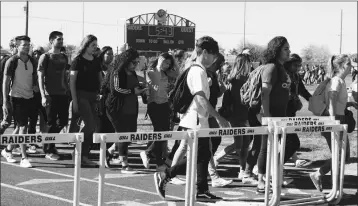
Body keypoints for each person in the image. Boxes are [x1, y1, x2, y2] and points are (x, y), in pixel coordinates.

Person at [153, 36, 230, 201]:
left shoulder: (197, 69)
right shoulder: (197, 70)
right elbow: (200, 98)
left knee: (202, 155)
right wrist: (219, 117)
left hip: (196, 118)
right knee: (199, 156)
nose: (215, 59)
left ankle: (201, 189)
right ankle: (166, 175)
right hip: (195, 119)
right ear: (206, 52)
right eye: (214, 55)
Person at [243, 36, 292, 193]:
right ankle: (261, 181)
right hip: (269, 115)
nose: (289, 52)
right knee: (265, 146)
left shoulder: (281, 67)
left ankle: (272, 174)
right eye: (285, 49)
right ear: (276, 50)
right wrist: (267, 115)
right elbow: (265, 93)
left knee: (283, 144)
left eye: (289, 48)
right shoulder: (271, 67)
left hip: (280, 115)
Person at [310, 54, 358, 192]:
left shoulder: (339, 81)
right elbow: (331, 99)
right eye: (349, 65)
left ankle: (334, 186)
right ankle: (319, 176)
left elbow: (336, 101)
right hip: (335, 120)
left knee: (341, 155)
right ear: (343, 66)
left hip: (337, 118)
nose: (351, 68)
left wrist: (350, 103)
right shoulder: (337, 80)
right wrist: (333, 120)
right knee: (341, 155)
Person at [103, 48, 147, 173]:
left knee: (130, 134)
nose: (136, 65)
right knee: (123, 134)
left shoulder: (133, 73)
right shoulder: (117, 72)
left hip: (131, 107)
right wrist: (133, 91)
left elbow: (134, 86)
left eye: (137, 62)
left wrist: (142, 90)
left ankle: (110, 152)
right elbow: (115, 90)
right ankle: (124, 164)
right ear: (126, 61)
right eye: (133, 62)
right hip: (116, 108)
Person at [214, 53, 252, 181]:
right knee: (239, 144)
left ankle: (242, 170)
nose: (250, 65)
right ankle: (220, 159)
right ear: (243, 64)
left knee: (245, 143)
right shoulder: (234, 79)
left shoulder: (247, 78)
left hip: (246, 114)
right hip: (236, 114)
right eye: (248, 62)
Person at [1, 35, 37, 167]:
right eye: (24, 45)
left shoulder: (33, 60)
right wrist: (5, 101)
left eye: (28, 45)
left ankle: (8, 149)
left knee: (18, 127)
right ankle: (23, 157)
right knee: (23, 127)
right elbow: (6, 82)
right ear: (17, 46)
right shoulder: (12, 61)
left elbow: (33, 78)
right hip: (16, 97)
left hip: (30, 97)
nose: (27, 47)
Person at [139, 52, 178, 169]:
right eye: (165, 62)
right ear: (160, 59)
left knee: (164, 132)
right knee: (159, 132)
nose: (166, 65)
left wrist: (173, 61)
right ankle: (157, 160)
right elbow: (145, 79)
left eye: (168, 64)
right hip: (154, 105)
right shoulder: (151, 72)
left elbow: (177, 73)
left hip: (165, 104)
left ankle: (150, 153)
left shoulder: (167, 72)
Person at [37, 31, 70, 161]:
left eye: (62, 39)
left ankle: (50, 143)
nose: (61, 41)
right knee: (50, 122)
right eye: (58, 39)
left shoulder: (64, 57)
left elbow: (65, 76)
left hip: (63, 94)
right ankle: (48, 149)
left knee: (63, 121)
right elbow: (40, 77)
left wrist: (68, 91)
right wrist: (43, 95)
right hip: (50, 94)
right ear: (51, 41)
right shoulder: (45, 57)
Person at [70, 34, 102, 166]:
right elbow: (72, 82)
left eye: (96, 45)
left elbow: (100, 78)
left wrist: (100, 93)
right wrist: (75, 100)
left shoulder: (95, 60)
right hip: (81, 95)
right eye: (93, 45)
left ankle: (83, 155)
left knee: (93, 125)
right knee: (89, 124)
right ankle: (78, 153)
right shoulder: (77, 60)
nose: (95, 47)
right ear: (86, 45)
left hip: (93, 96)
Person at [284, 54, 312, 168]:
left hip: (291, 110)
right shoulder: (282, 75)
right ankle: (267, 167)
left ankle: (294, 159)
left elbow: (303, 91)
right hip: (281, 111)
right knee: (291, 140)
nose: (298, 68)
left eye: (300, 65)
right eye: (296, 65)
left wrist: (314, 101)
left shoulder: (296, 76)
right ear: (289, 64)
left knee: (286, 138)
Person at [27, 46, 47, 154]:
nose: (36, 55)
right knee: (32, 121)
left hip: (44, 96)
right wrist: (33, 86)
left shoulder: (45, 64)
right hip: (32, 96)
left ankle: (46, 143)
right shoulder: (30, 64)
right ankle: (31, 143)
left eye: (39, 53)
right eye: (34, 53)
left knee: (45, 120)